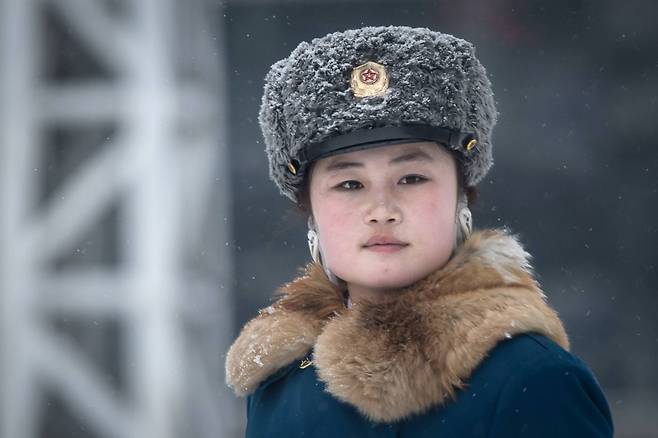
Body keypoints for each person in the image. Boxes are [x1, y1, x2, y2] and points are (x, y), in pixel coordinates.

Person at [225, 26, 614, 437]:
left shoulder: (535, 380)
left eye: (411, 178)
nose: (381, 211)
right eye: (350, 184)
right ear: (311, 213)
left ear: (461, 197)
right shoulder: (279, 383)